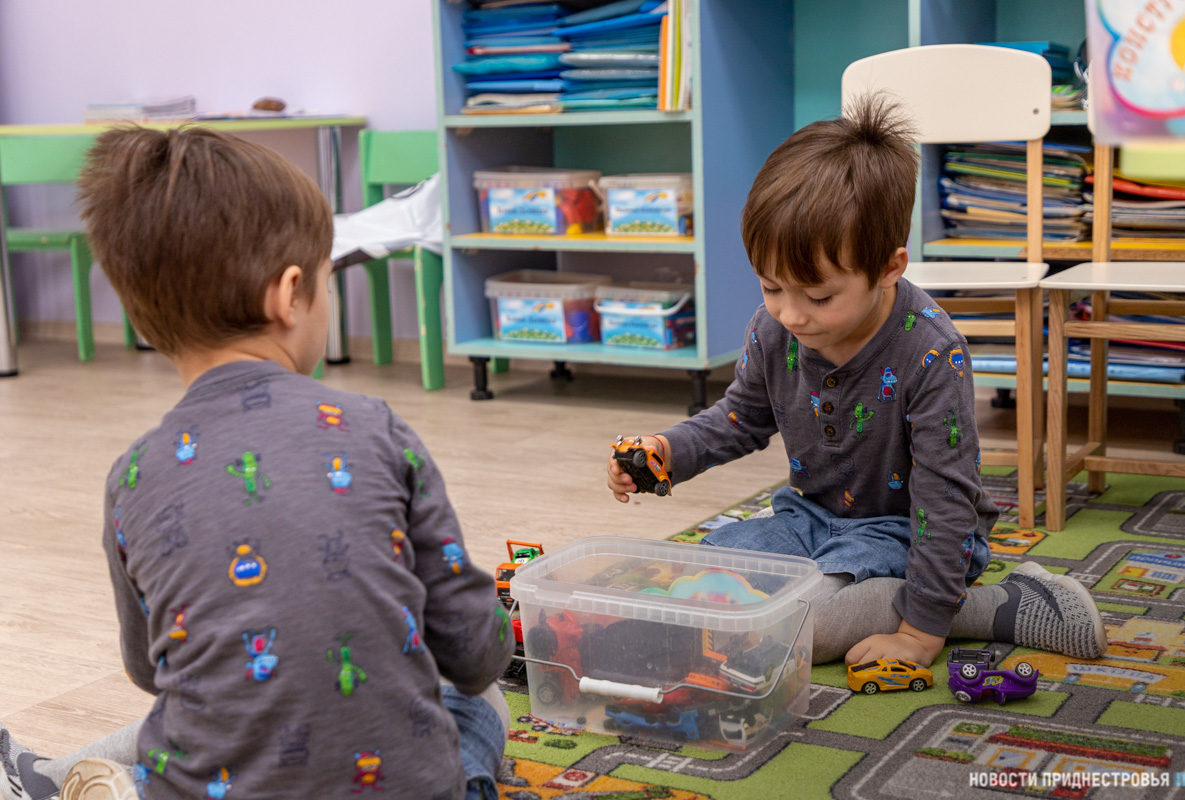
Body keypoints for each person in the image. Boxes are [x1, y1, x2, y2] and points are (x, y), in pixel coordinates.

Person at [1, 126, 512, 800]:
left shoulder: (131, 477)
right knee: (479, 702)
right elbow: (473, 650)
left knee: (196, 713)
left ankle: (58, 779)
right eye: (328, 281)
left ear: (145, 320)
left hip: (211, 785)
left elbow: (150, 670)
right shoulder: (378, 430)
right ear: (290, 294)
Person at [606, 95, 1107, 670]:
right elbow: (737, 420)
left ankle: (997, 606)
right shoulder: (773, 329)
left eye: (818, 296)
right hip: (809, 520)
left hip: (909, 533)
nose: (791, 314)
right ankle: (851, 593)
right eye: (771, 287)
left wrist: (920, 634)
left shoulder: (932, 353)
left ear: (889, 268)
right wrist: (666, 450)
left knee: (806, 629)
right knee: (703, 576)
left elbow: (944, 502)